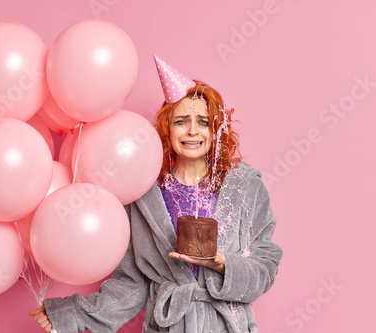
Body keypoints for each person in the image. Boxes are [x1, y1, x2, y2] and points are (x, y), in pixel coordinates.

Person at [30, 55, 283, 332]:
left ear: (215, 130)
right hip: (170, 325)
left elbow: (264, 266)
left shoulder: (245, 187)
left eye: (202, 122)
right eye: (181, 121)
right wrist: (73, 314)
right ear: (167, 128)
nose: (191, 131)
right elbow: (133, 282)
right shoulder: (143, 190)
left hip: (227, 325)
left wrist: (223, 264)